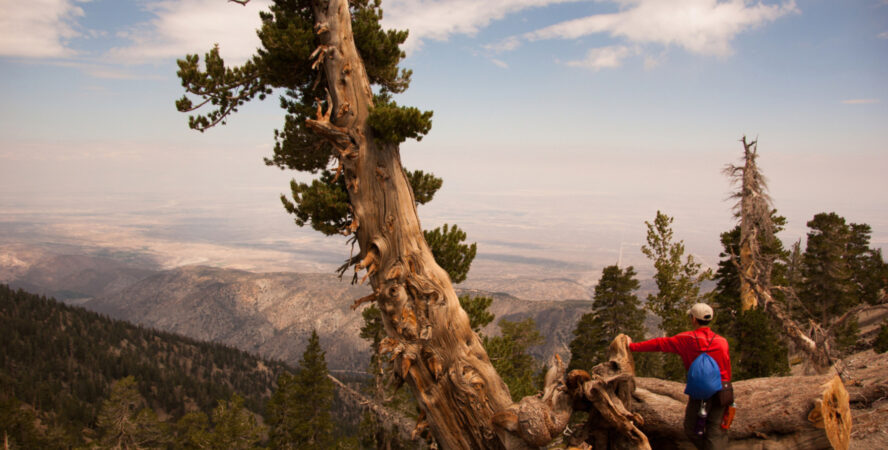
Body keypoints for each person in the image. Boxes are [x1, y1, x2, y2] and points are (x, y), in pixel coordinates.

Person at [626, 303, 732, 450]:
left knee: (691, 428)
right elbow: (727, 368)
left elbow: (659, 344)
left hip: (700, 392)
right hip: (723, 391)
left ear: (694, 319)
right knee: (716, 431)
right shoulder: (722, 342)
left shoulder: (687, 339)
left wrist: (632, 347)